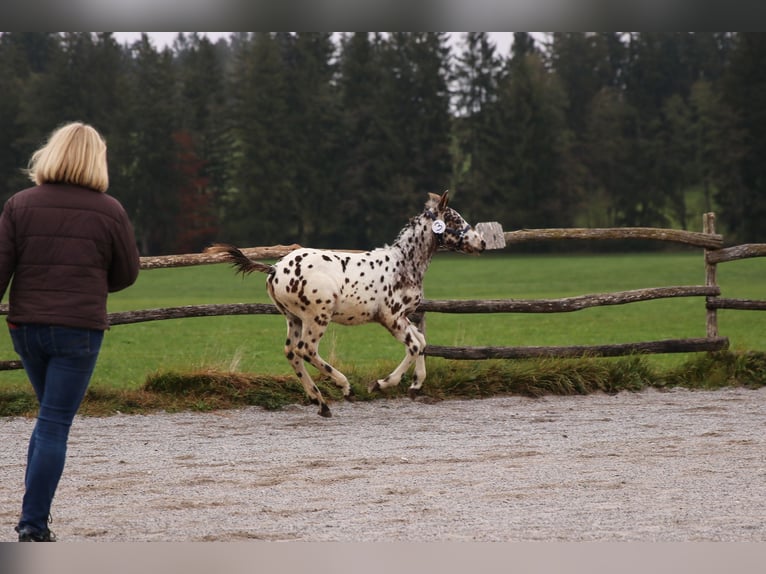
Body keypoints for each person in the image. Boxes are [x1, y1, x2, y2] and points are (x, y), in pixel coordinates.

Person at [0, 122, 140, 542]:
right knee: (55, 423)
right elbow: (127, 273)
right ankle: (33, 524)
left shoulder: (18, 205)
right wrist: (91, 283)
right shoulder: (110, 210)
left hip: (26, 328)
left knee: (48, 420)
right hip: (78, 330)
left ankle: (32, 516)